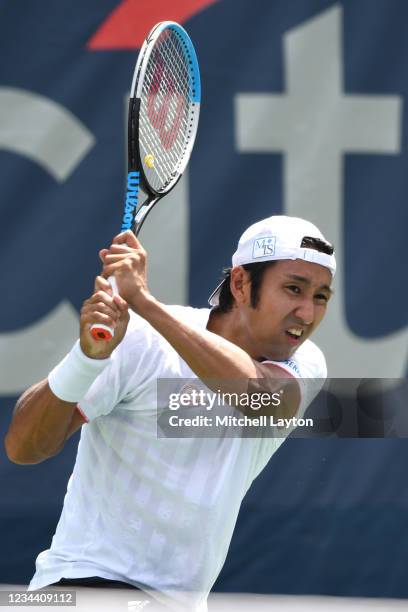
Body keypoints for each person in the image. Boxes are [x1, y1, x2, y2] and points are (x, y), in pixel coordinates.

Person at [5, 215, 336, 611]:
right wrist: (85, 360)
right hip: (80, 590)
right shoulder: (139, 342)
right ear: (241, 284)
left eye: (320, 297)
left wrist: (144, 302)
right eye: (294, 289)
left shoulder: (305, 364)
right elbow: (23, 448)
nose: (306, 313)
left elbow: (261, 399)